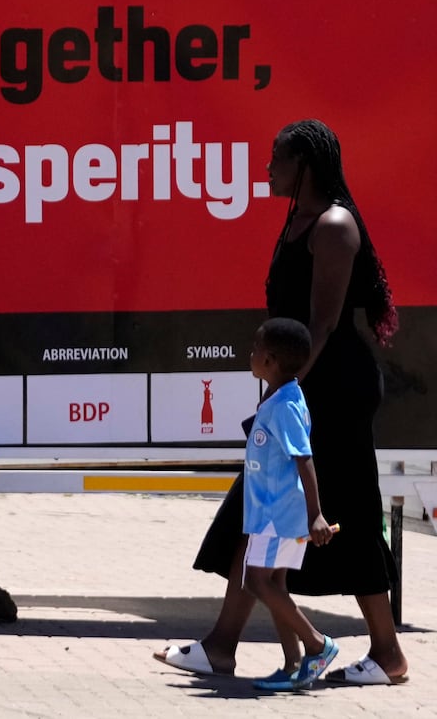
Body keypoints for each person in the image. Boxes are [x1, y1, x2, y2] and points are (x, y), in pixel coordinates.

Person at [156, 119, 408, 685]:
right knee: (257, 509)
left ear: (305, 166)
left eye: (277, 159)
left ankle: (388, 654)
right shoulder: (296, 221)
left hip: (332, 389)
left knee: (353, 514)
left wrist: (281, 393)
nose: (267, 169)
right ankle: (222, 645)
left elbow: (320, 326)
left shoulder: (334, 226)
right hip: (301, 386)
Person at [240, 317, 337, 691]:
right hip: (272, 513)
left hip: (277, 515)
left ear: (272, 361)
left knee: (257, 581)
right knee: (275, 583)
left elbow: (304, 458)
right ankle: (293, 663)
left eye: (256, 349)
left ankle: (317, 645)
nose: (251, 354)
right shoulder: (281, 398)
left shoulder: (285, 406)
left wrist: (316, 515)